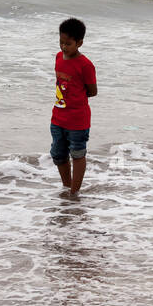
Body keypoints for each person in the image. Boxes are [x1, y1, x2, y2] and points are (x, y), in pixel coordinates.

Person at [50, 17, 97, 199]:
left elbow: (92, 91)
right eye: (61, 42)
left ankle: (74, 192)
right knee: (58, 154)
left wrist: (75, 98)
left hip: (78, 120)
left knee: (77, 154)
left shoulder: (85, 64)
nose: (63, 47)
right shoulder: (58, 57)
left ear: (79, 43)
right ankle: (66, 186)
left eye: (68, 44)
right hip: (58, 117)